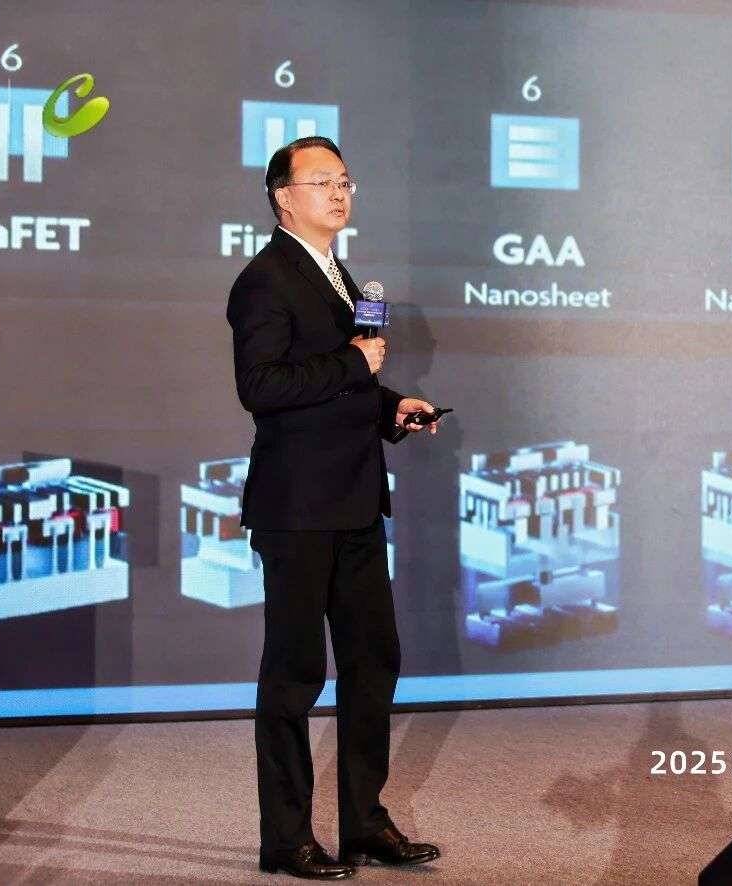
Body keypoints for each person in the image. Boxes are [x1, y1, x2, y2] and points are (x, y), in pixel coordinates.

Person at [226, 135, 443, 880]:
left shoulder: (337, 272)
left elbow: (341, 384)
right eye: (323, 182)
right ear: (284, 197)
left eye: (345, 180)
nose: (339, 193)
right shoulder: (264, 280)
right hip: (296, 507)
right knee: (293, 677)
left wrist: (391, 407)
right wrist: (354, 362)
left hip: (353, 502)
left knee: (372, 662)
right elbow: (261, 387)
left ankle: (364, 823)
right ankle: (286, 838)